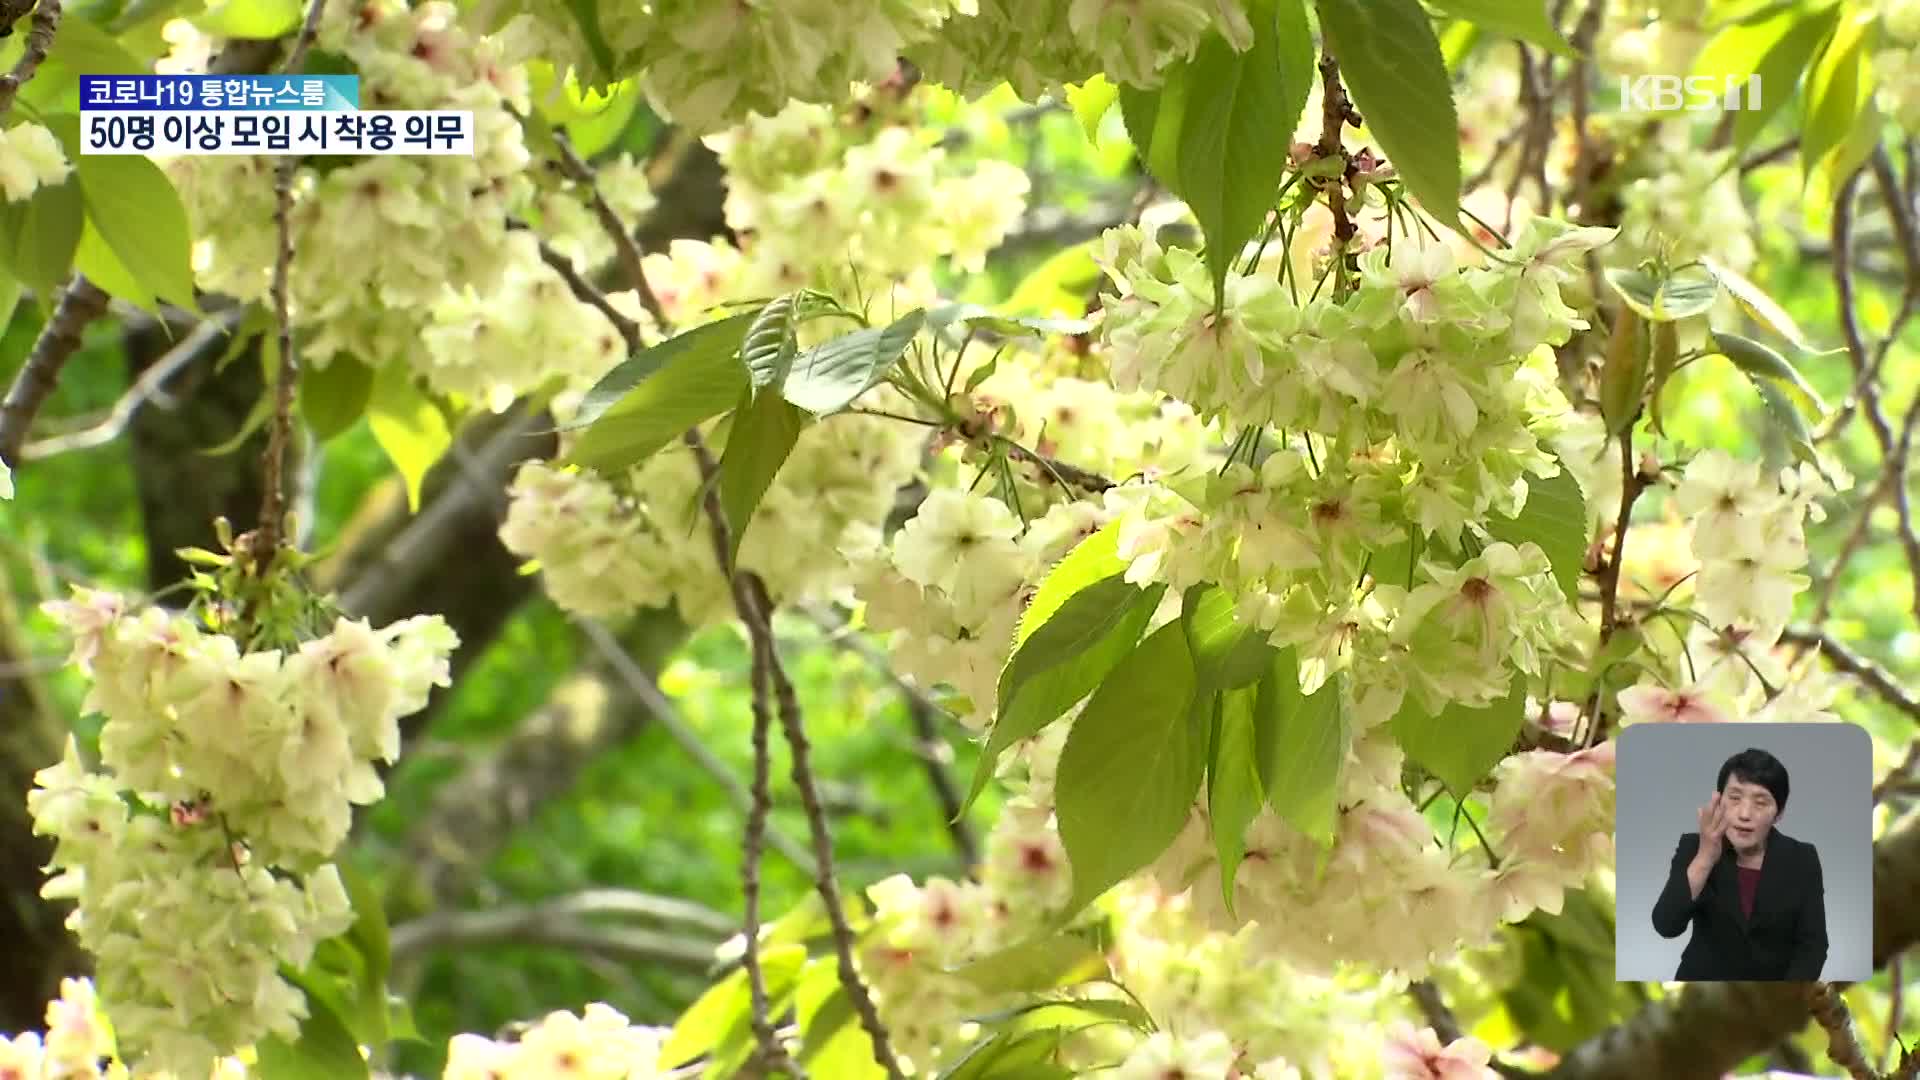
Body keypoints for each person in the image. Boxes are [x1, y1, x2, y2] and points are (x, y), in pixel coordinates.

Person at [1650, 747, 1828, 980]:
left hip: (1768, 1002)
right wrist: (1705, 857)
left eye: (1760, 802)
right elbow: (1666, 924)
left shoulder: (1802, 858)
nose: (1744, 813)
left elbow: (1813, 946)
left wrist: (1785, 1001)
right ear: (1719, 801)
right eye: (1734, 798)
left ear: (1779, 813)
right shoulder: (1694, 847)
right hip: (1700, 995)